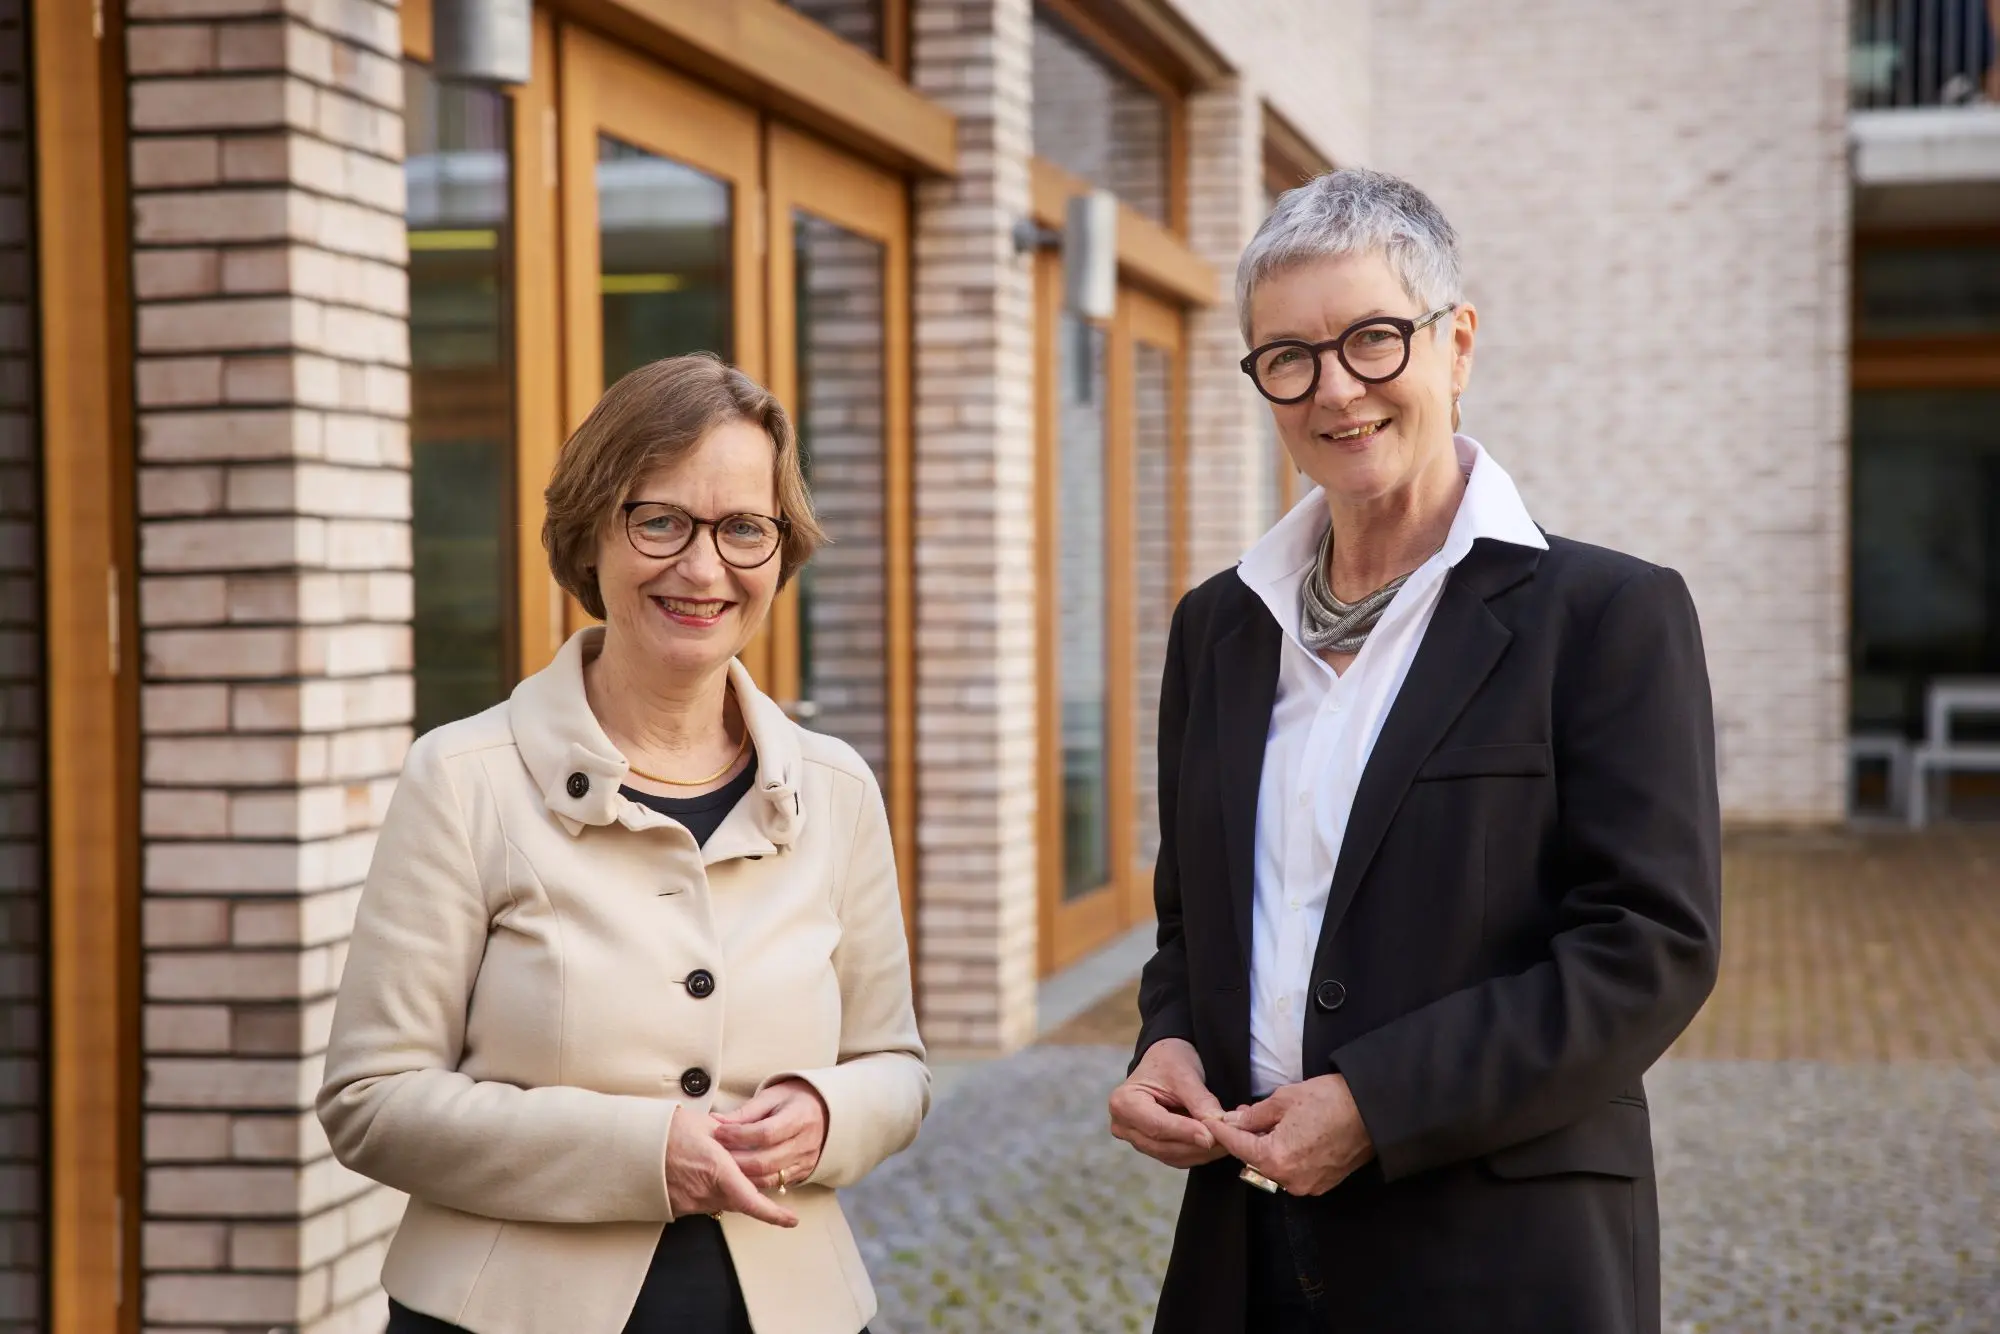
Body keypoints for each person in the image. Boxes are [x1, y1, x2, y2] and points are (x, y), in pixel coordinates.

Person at [1106, 167, 1722, 1334]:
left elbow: (1647, 948)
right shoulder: (1216, 629)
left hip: (1497, 1258)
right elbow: (1191, 923)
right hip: (1245, 1251)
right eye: (1287, 356)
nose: (1333, 389)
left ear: (1457, 344)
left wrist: (1376, 1103)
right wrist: (1168, 1040)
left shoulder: (1603, 615)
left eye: (1373, 339)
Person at [319, 354, 926, 1334]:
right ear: (590, 534)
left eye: (741, 528)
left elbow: (894, 1066)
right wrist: (642, 1150)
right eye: (660, 520)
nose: (702, 567)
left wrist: (826, 1111)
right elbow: (371, 1099)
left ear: (779, 550)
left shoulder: (836, 787)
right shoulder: (463, 777)